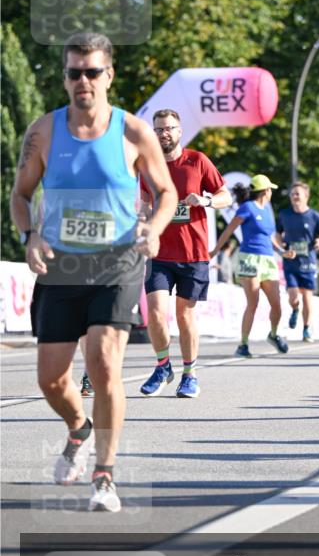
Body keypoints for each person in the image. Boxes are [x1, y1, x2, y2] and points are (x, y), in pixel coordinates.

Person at [10, 32, 177, 513]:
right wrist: (31, 235)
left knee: (104, 365)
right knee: (51, 380)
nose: (83, 80)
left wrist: (155, 229)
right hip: (61, 264)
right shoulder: (44, 132)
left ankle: (104, 475)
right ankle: (78, 428)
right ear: (65, 78)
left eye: (92, 72)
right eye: (74, 72)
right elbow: (20, 195)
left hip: (117, 261)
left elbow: (166, 192)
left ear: (109, 76)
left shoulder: (134, 132)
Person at [138, 109, 231, 398]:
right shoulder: (149, 166)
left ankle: (190, 375)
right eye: (158, 129)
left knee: (184, 315)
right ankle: (163, 366)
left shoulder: (197, 161)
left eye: (169, 128)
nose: (163, 133)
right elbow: (144, 205)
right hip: (159, 253)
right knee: (155, 312)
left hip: (193, 253)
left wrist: (205, 200)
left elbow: (225, 196)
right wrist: (143, 221)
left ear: (179, 131)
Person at [210, 175, 290, 357]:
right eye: (270, 190)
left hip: (268, 260)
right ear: (265, 191)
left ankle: (274, 335)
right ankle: (243, 344)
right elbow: (229, 230)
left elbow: (269, 237)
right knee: (253, 303)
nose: (271, 193)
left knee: (277, 305)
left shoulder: (267, 211)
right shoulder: (247, 208)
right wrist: (215, 251)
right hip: (249, 259)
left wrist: (282, 252)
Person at [276, 181, 319, 343]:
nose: (294, 197)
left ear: (306, 196)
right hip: (290, 261)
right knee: (293, 298)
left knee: (307, 297)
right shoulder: (284, 214)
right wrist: (282, 248)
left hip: (308, 261)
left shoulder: (315, 216)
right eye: (292, 194)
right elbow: (277, 234)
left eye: (297, 194)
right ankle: (295, 309)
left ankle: (306, 329)